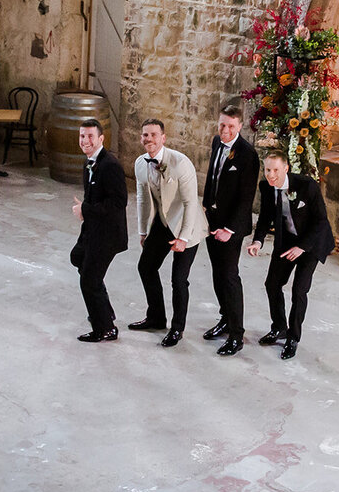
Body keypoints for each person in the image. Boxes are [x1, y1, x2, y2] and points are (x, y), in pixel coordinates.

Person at [247, 150, 335, 360]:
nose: (271, 175)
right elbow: (265, 217)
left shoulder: (307, 185)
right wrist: (257, 241)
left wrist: (302, 247)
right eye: (268, 170)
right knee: (272, 284)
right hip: (286, 241)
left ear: (286, 168)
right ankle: (279, 327)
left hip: (311, 243)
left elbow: (321, 221)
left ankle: (293, 337)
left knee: (299, 290)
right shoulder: (266, 187)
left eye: (276, 170)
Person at [130, 118, 204, 347]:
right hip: (162, 224)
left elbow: (191, 203)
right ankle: (156, 317)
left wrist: (183, 238)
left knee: (178, 279)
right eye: (145, 135)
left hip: (187, 226)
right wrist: (143, 231)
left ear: (163, 138)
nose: (149, 139)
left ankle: (177, 328)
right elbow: (142, 199)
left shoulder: (181, 163)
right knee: (146, 267)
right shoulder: (140, 163)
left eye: (154, 134)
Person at [201, 105, 261, 357]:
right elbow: (212, 177)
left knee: (229, 276)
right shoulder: (217, 142)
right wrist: (205, 207)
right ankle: (225, 319)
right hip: (212, 220)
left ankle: (237, 334)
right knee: (217, 274)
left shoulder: (248, 154)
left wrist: (229, 229)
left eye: (231, 126)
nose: (225, 130)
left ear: (240, 126)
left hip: (231, 227)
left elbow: (246, 198)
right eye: (222, 125)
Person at [70, 118, 128, 343]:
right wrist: (86, 211)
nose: (85, 140)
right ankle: (105, 311)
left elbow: (118, 203)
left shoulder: (110, 165)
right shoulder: (89, 163)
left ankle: (105, 328)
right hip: (93, 230)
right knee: (78, 258)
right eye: (82, 136)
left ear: (101, 138)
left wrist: (85, 210)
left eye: (90, 136)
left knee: (89, 281)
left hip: (108, 235)